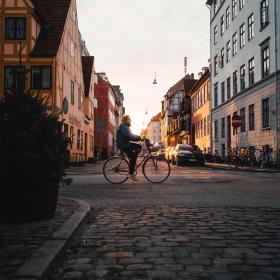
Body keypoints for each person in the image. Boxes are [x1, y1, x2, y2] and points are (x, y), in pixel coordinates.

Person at [116, 115, 142, 180]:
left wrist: (139, 137)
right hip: (124, 144)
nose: (130, 120)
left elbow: (131, 135)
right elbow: (129, 136)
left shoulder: (125, 127)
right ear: (125, 120)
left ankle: (131, 159)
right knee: (134, 155)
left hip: (125, 143)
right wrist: (139, 138)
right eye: (129, 119)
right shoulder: (124, 127)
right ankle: (131, 173)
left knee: (138, 146)